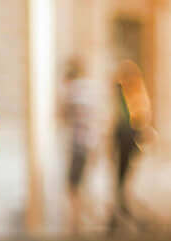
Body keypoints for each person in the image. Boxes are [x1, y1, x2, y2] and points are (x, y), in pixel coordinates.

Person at [109, 59, 153, 236]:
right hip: (125, 140)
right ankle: (119, 216)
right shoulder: (127, 96)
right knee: (121, 183)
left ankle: (122, 216)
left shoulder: (133, 97)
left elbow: (139, 120)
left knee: (122, 183)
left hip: (128, 140)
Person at [59, 58, 97, 235]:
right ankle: (82, 221)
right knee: (82, 184)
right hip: (89, 144)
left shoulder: (73, 92)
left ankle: (77, 224)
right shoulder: (89, 91)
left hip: (77, 145)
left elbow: (62, 115)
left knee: (73, 186)